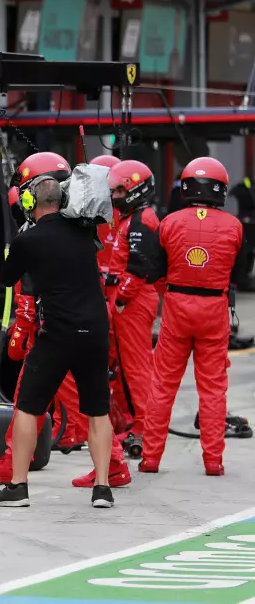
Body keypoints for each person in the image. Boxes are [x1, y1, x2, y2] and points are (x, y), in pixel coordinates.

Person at [0, 175, 130, 489]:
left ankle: (18, 481)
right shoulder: (84, 231)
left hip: (56, 330)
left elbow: (14, 281)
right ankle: (104, 481)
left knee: (28, 405)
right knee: (94, 407)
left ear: (31, 202)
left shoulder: (29, 239)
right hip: (92, 327)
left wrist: (13, 248)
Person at [141, 158, 244, 476]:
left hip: (176, 307)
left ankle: (151, 459)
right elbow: (236, 274)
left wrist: (171, 292)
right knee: (213, 388)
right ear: (220, 189)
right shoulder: (234, 227)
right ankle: (213, 461)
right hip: (214, 310)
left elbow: (154, 272)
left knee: (162, 385)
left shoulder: (168, 223)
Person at [105, 160, 160, 454]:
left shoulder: (141, 221)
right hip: (128, 298)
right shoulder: (133, 218)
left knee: (137, 368)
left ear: (136, 191)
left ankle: (146, 426)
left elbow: (138, 268)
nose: (115, 197)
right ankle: (137, 422)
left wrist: (122, 300)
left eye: (120, 191)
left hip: (134, 301)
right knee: (126, 368)